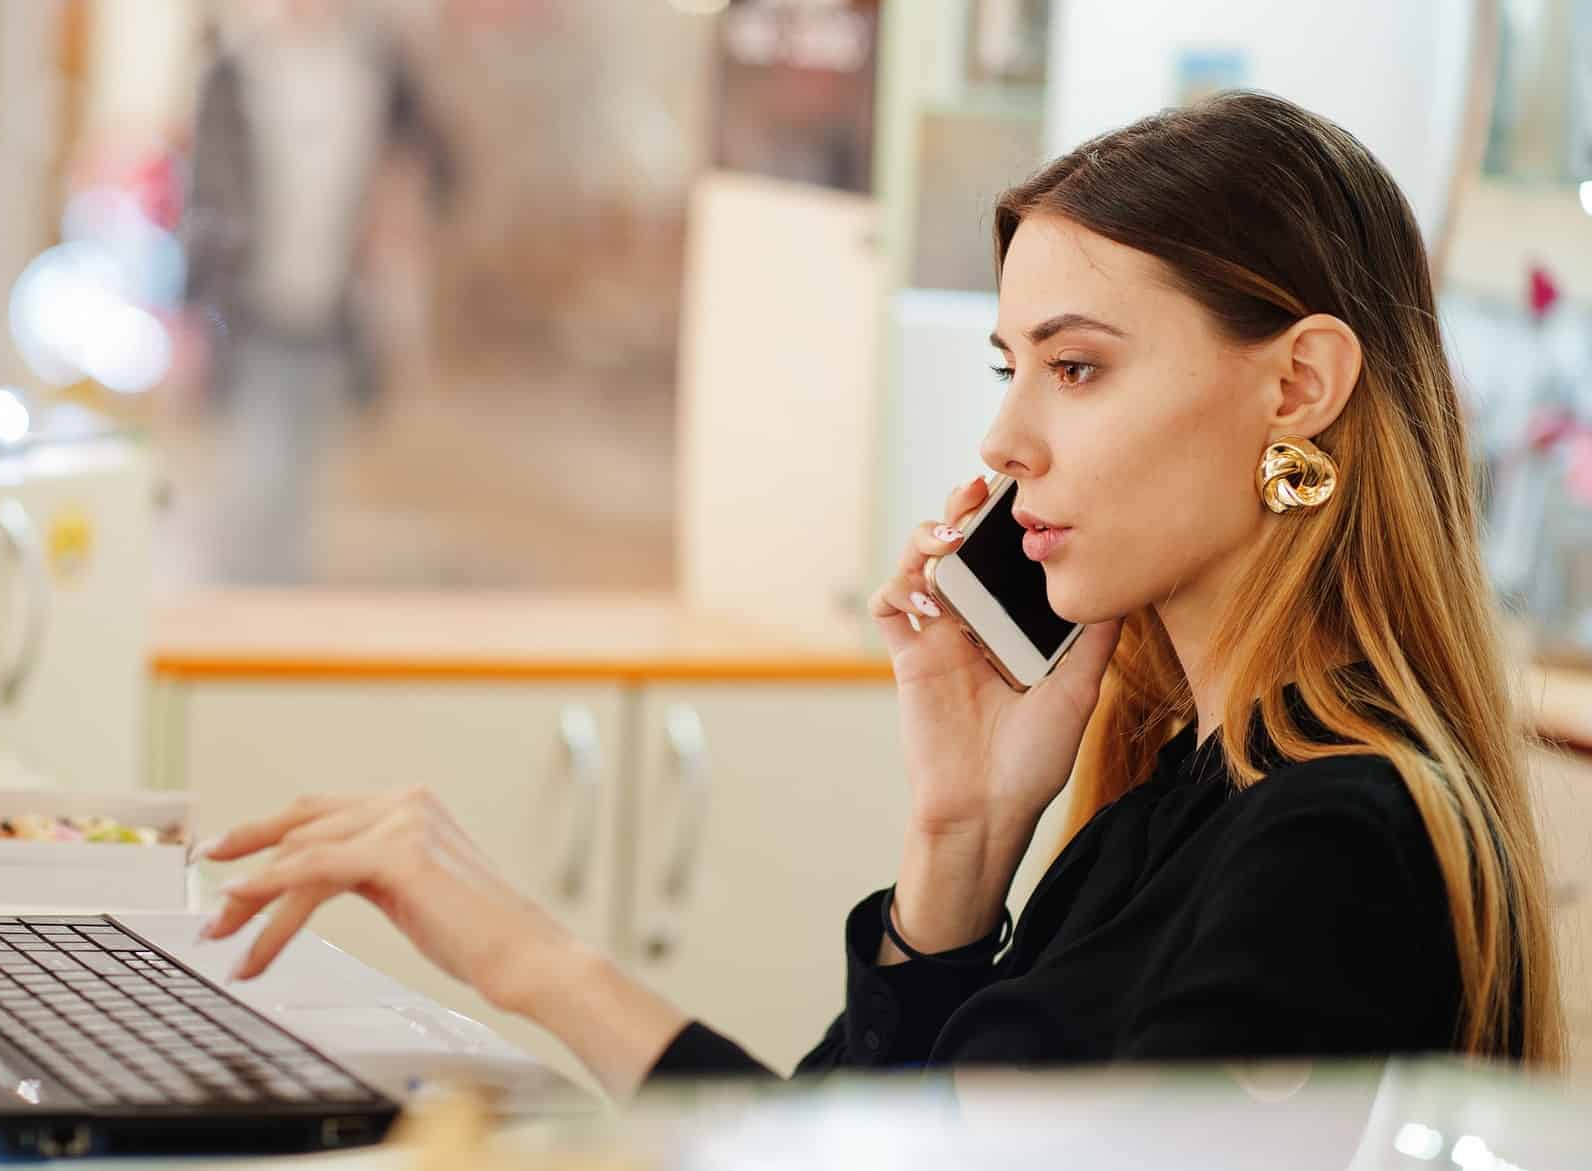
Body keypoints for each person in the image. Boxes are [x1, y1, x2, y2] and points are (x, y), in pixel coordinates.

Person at [191, 92, 1566, 1090]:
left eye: (1076, 368)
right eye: (1007, 366)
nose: (1005, 440)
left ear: (1297, 385)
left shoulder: (1333, 839)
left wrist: (538, 961)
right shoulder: (1175, 795)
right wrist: (960, 838)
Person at [183, 0, 452, 584]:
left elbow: (442, 160)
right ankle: (244, 611)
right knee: (256, 470)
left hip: (337, 308)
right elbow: (206, 202)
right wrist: (190, 310)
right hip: (252, 308)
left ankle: (278, 614)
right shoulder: (234, 76)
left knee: (301, 475)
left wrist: (399, 210)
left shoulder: (368, 69)